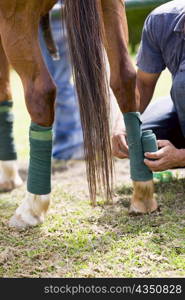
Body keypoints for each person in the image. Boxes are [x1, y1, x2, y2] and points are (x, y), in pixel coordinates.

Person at [112, 0, 185, 172]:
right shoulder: (162, 20)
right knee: (137, 137)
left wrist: (181, 157)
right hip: (179, 106)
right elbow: (144, 84)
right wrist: (123, 122)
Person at [39, 1, 84, 164]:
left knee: (58, 83)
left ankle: (69, 146)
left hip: (52, 17)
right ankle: (77, 141)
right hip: (66, 14)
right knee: (65, 81)